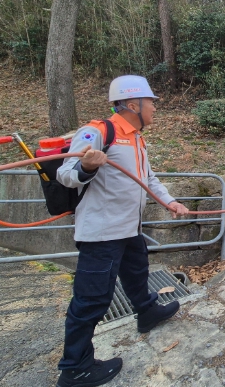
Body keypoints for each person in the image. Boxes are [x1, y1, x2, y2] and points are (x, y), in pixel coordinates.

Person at [56, 75, 189, 387]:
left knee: (137, 272)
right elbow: (65, 174)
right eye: (151, 101)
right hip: (102, 234)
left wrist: (170, 201)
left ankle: (147, 311)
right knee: (92, 299)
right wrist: (87, 166)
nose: (155, 107)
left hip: (129, 228)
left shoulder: (137, 138)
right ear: (133, 104)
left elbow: (149, 178)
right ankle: (75, 367)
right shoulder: (98, 131)